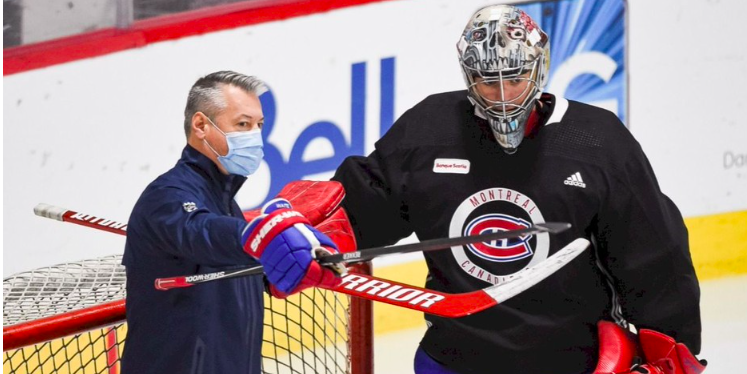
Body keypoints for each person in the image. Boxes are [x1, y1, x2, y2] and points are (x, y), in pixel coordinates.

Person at [332, 5, 702, 374]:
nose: (505, 96)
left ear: (539, 67)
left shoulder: (597, 142)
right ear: (469, 76)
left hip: (570, 364)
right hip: (454, 361)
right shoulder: (428, 132)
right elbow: (361, 209)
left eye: (516, 77)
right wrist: (309, 229)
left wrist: (669, 355)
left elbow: (655, 260)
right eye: (489, 81)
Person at [121, 71, 342, 374]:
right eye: (242, 124)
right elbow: (202, 233)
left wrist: (286, 268)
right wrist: (259, 236)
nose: (254, 135)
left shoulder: (228, 205)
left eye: (258, 125)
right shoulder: (167, 197)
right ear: (201, 125)